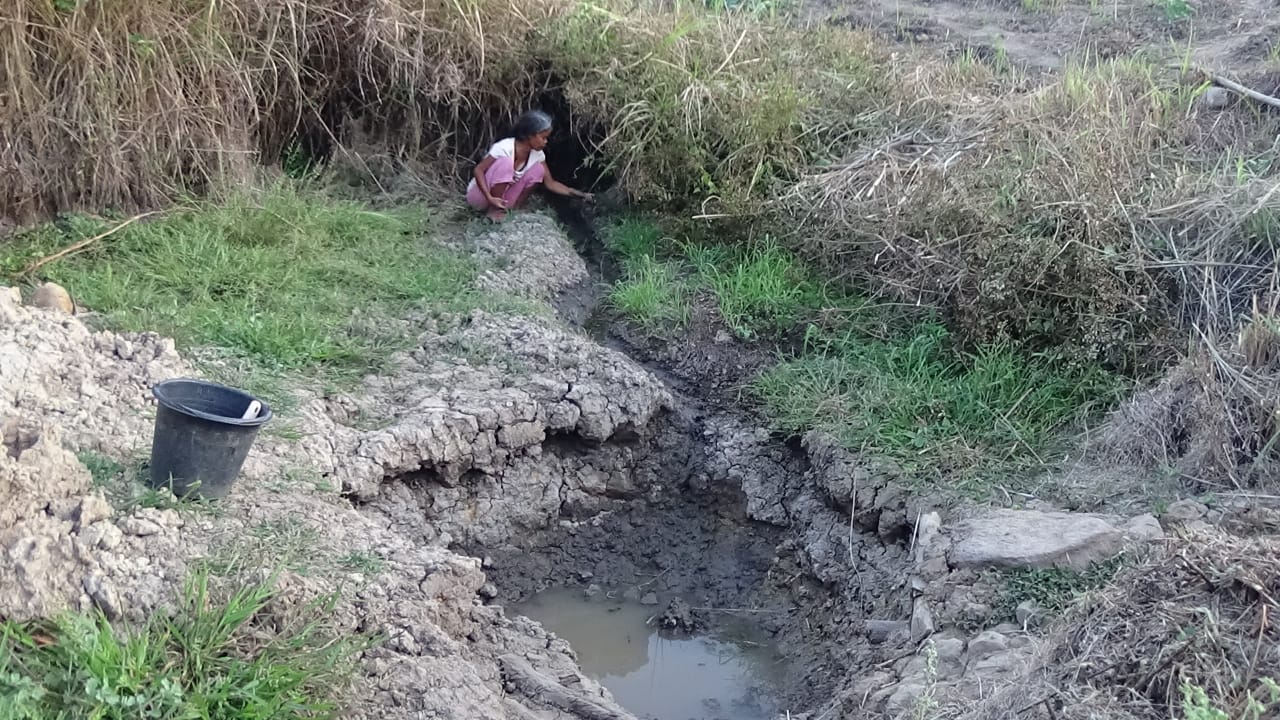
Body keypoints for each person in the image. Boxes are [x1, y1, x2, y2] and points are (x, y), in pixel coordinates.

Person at [466, 110, 593, 222]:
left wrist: (580, 195)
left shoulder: (538, 155)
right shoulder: (504, 148)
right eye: (543, 137)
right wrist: (490, 198)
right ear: (530, 135)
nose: (546, 141)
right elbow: (479, 170)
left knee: (538, 170)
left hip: (504, 202)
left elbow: (551, 183)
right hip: (480, 197)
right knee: (505, 164)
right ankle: (494, 211)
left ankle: (515, 208)